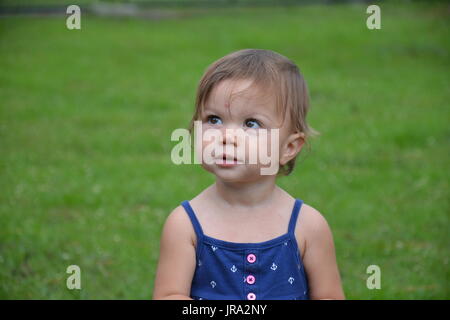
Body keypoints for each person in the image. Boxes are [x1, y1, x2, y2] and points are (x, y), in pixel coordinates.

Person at [153, 49, 345, 300]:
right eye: (214, 119)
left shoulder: (308, 226)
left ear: (288, 148)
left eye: (251, 123)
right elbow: (169, 295)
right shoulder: (185, 224)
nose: (226, 136)